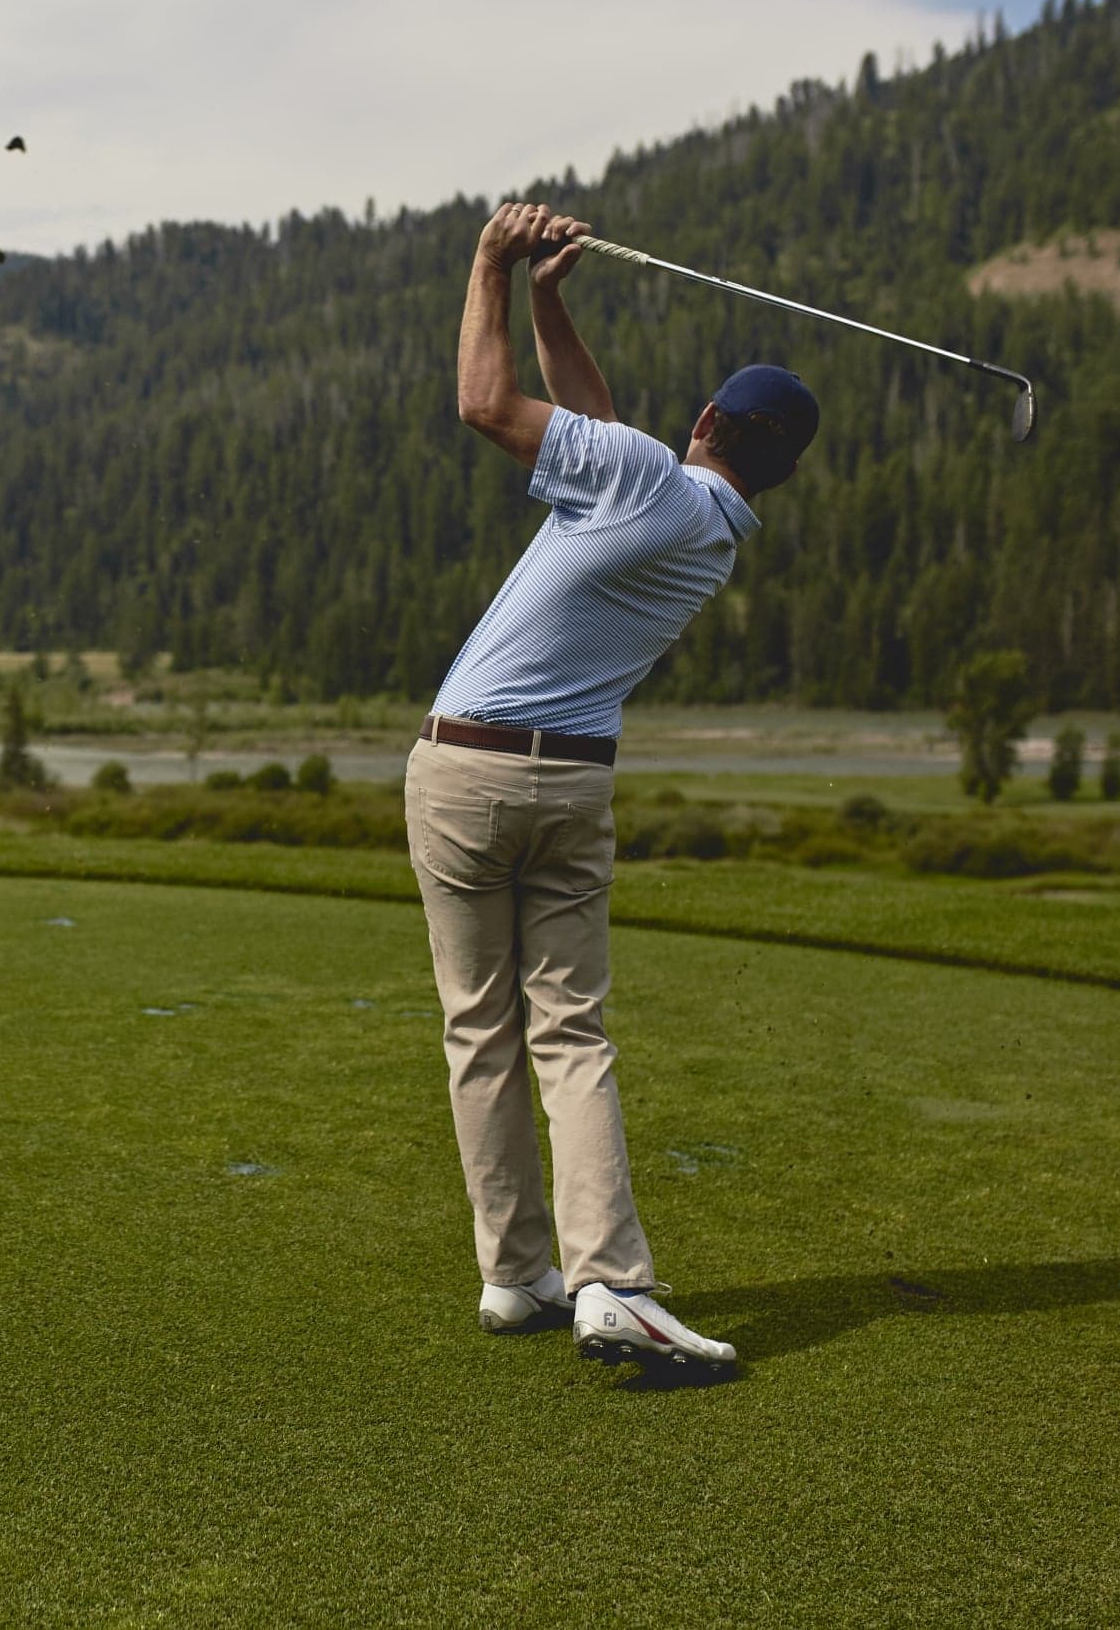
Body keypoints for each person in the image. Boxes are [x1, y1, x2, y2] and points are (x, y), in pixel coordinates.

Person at [408, 200, 819, 1369]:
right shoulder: (703, 521)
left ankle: (534, 1276)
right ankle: (577, 1278)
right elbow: (592, 423)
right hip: (570, 786)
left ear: (699, 422)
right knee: (569, 1035)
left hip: (458, 771)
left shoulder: (637, 478)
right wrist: (551, 303)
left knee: (480, 1031)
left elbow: (486, 406)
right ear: (776, 473)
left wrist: (490, 264)